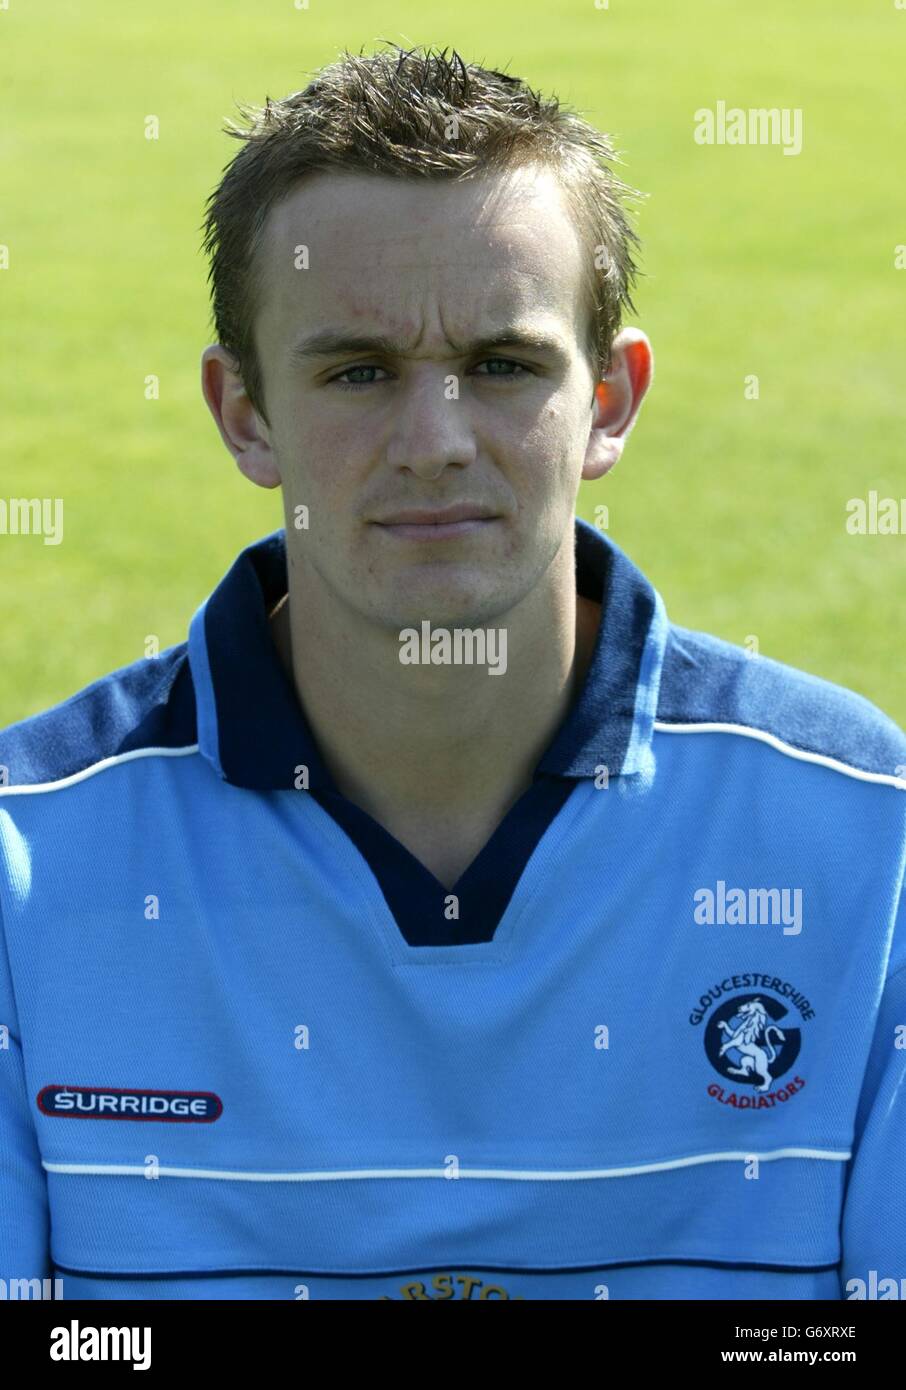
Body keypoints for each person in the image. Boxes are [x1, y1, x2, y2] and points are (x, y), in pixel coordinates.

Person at [0, 44, 903, 1302]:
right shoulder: (23, 865)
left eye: (502, 366)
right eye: (358, 371)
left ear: (611, 402)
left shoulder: (868, 842)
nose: (433, 443)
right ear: (243, 412)